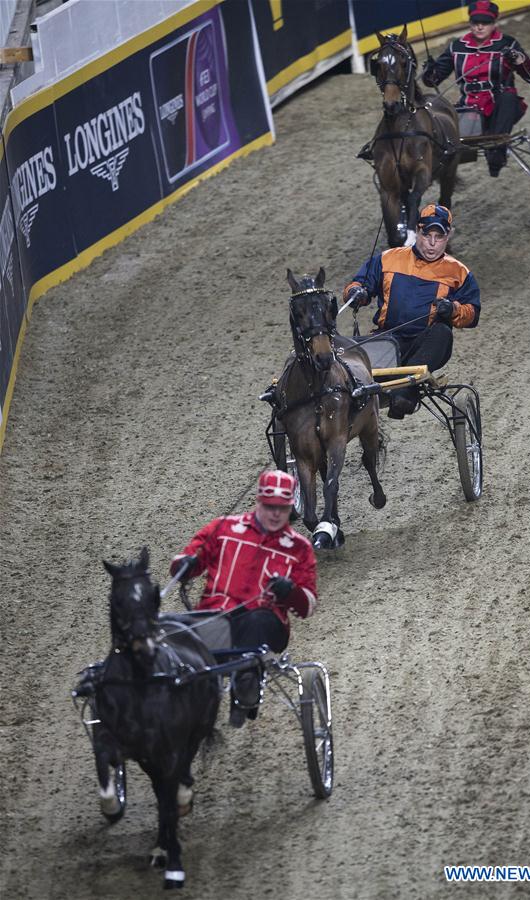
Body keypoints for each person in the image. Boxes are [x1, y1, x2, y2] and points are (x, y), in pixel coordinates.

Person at [170, 470, 317, 727]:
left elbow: (308, 606)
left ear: (291, 508)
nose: (275, 514)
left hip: (263, 624)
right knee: (168, 628)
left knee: (257, 621)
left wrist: (291, 591)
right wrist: (186, 564)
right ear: (258, 502)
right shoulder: (223, 528)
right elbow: (184, 563)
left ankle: (245, 686)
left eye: (282, 508)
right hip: (214, 618)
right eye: (270, 506)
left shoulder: (299, 548)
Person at [343, 204, 480, 419]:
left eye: (439, 237)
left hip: (425, 345)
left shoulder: (459, 272)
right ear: (417, 231)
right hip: (387, 341)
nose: (432, 243)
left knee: (443, 333)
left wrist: (453, 309)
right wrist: (356, 293)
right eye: (427, 235)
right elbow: (357, 285)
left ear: (448, 236)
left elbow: (472, 314)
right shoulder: (388, 259)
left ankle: (405, 392)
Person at [422, 0, 530, 176]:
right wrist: (429, 71)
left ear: (494, 23)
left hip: (501, 108)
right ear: (470, 23)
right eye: (476, 22)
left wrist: (518, 60)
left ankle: (497, 153)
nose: (480, 27)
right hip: (469, 109)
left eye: (486, 22)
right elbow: (432, 81)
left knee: (508, 97)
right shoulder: (457, 47)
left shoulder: (507, 44)